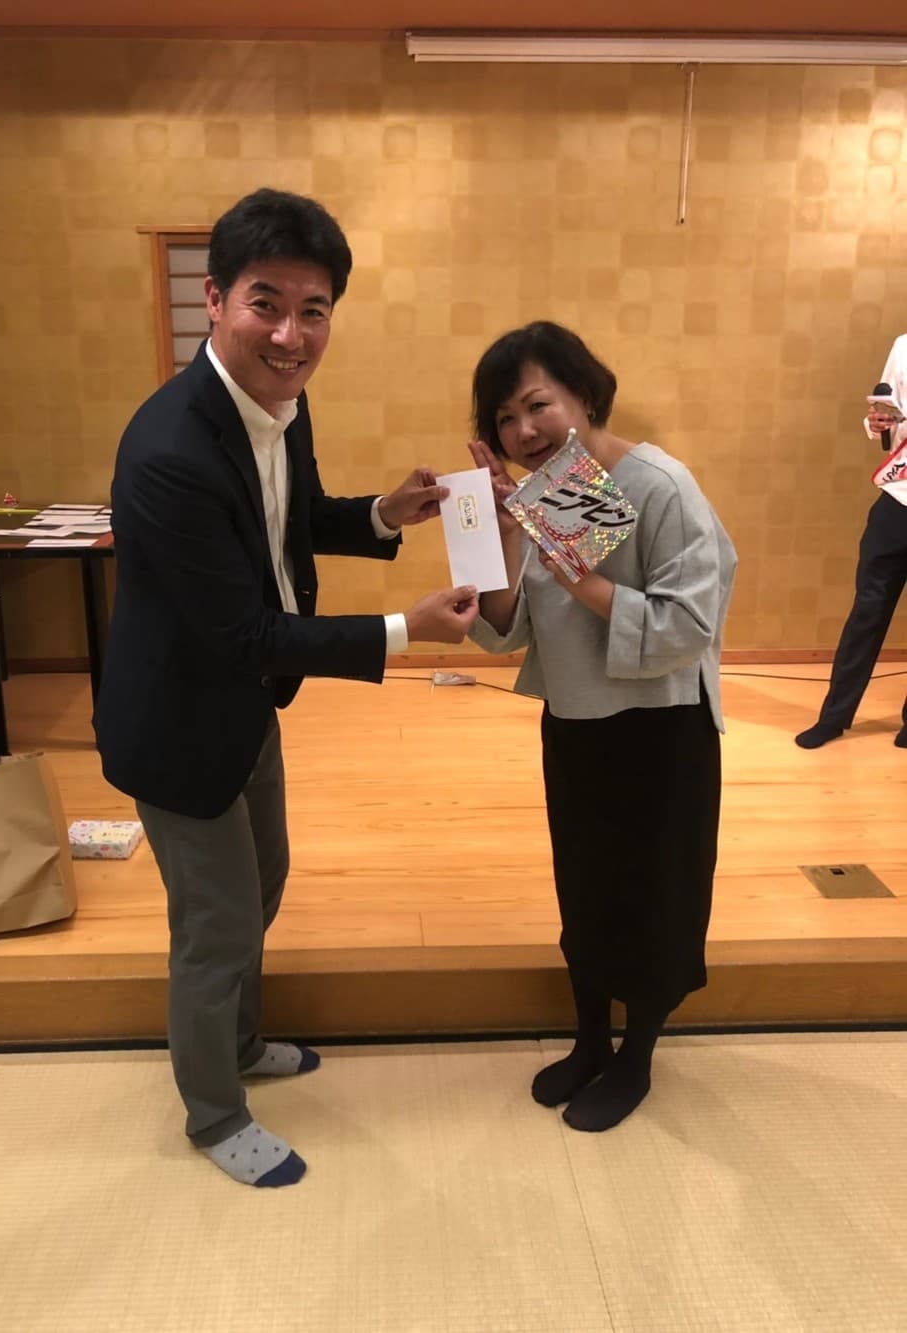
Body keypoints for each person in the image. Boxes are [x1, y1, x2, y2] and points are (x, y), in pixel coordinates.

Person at [93, 188, 478, 1187]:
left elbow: (288, 518)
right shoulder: (169, 451)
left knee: (262, 880)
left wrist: (382, 514)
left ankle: (240, 1041)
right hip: (177, 722)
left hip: (243, 700)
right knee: (215, 923)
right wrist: (405, 630)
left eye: (314, 311)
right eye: (266, 303)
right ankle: (214, 1113)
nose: (290, 334)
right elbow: (240, 631)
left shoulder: (277, 404)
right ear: (216, 299)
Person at [467, 321, 736, 1132]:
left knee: (656, 893)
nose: (523, 431)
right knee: (584, 885)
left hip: (662, 729)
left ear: (584, 394)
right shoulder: (552, 491)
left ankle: (636, 1056)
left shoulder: (659, 484)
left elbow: (687, 625)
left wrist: (581, 579)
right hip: (578, 719)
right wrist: (498, 534)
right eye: (504, 419)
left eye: (536, 405)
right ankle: (590, 1039)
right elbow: (507, 630)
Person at [795, 334, 907, 749]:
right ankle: (834, 718)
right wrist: (877, 423)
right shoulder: (903, 346)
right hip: (897, 500)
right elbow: (888, 411)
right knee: (866, 613)